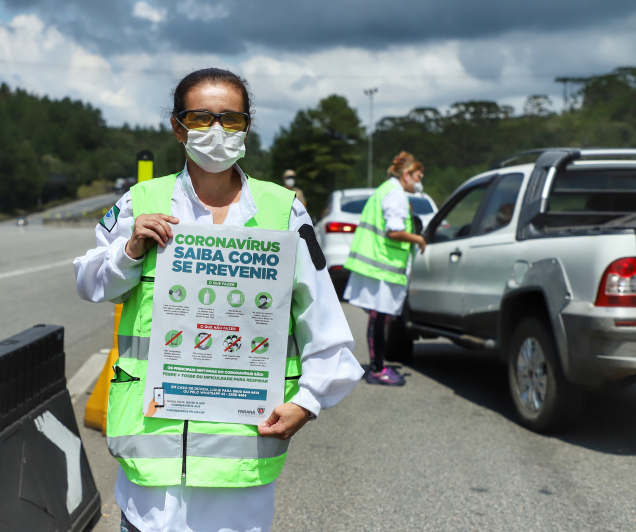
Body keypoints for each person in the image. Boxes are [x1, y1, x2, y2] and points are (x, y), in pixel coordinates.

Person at [74, 68, 362, 532]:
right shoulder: (140, 201)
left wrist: (307, 402)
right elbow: (89, 283)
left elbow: (324, 325)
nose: (215, 131)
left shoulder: (282, 211)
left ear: (246, 126)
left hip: (239, 481)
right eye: (200, 118)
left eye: (229, 119)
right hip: (151, 480)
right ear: (177, 127)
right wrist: (128, 251)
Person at [343, 151, 426, 387]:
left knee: (377, 318)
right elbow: (394, 231)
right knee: (379, 319)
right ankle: (377, 369)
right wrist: (418, 239)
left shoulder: (385, 190)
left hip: (377, 264)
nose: (420, 182)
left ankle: (378, 366)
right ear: (407, 175)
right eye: (419, 176)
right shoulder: (395, 194)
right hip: (382, 266)